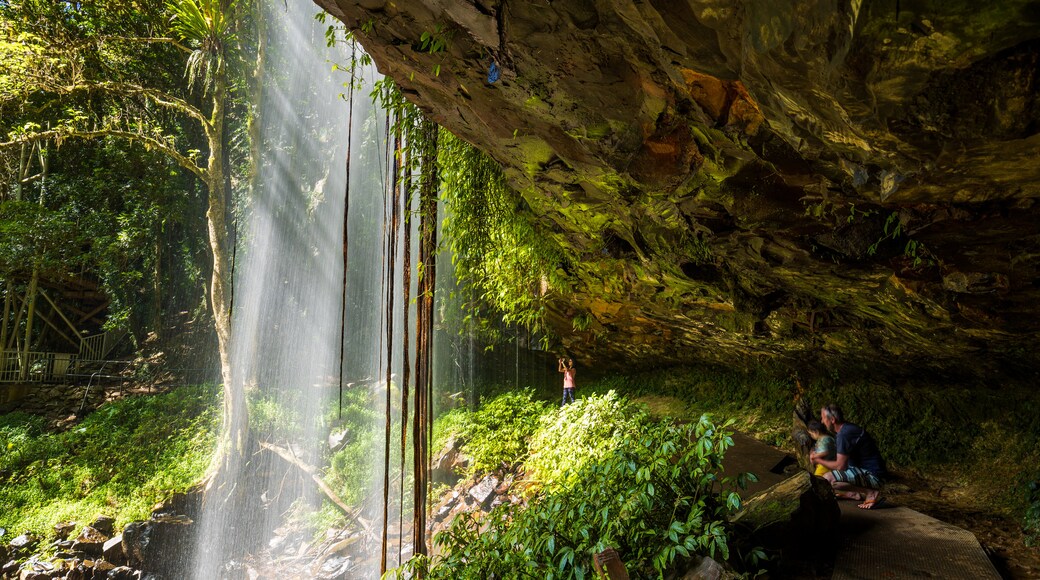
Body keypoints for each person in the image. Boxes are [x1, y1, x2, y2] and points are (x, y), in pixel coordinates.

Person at [811, 403, 887, 509]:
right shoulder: (846, 429)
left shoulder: (844, 435)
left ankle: (871, 491)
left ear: (832, 419)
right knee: (830, 473)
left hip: (875, 476)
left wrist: (818, 459)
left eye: (823, 418)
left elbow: (840, 466)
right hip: (865, 471)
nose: (822, 421)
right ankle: (852, 493)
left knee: (828, 479)